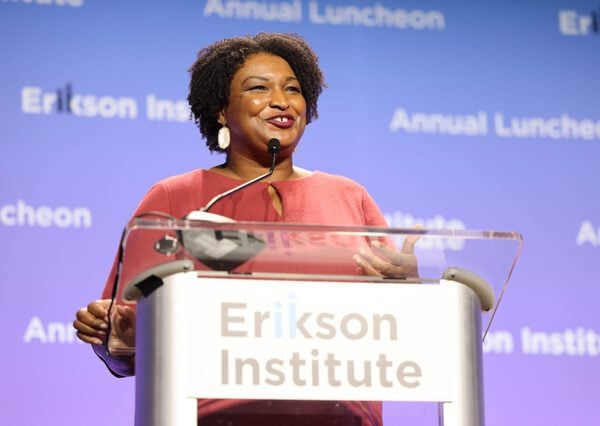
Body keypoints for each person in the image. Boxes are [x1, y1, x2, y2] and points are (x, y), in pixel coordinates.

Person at [74, 32, 418, 426]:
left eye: (293, 89)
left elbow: (398, 335)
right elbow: (123, 346)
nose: (281, 100)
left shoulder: (349, 196)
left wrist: (408, 287)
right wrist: (117, 340)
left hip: (341, 415)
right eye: (259, 88)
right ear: (222, 111)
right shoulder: (176, 198)